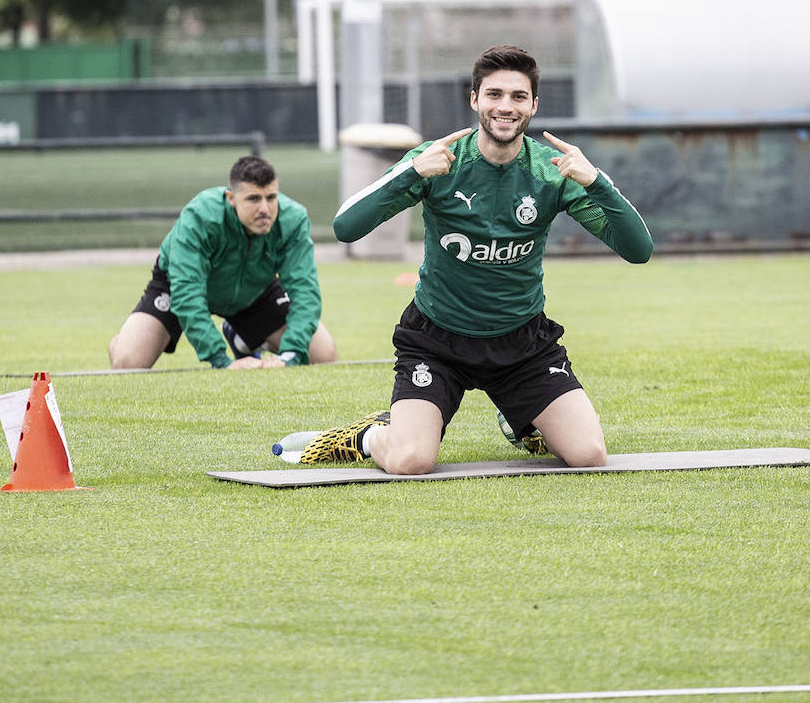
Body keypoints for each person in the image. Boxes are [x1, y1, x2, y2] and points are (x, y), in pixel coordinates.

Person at [300, 44, 653, 472]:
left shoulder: (553, 171)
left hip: (522, 344)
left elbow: (638, 250)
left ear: (534, 105)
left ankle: (522, 421)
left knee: (589, 455)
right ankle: (372, 436)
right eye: (494, 94)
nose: (506, 106)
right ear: (475, 99)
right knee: (411, 461)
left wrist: (597, 182)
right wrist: (412, 172)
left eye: (518, 97)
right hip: (438, 340)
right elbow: (345, 228)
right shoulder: (439, 161)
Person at [108, 155, 339, 370]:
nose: (265, 209)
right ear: (231, 198)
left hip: (255, 292)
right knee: (127, 363)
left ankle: (242, 338)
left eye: (271, 197)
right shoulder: (200, 217)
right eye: (253, 199)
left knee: (323, 355)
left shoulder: (293, 220)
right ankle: (122, 342)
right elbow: (186, 291)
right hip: (179, 287)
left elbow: (305, 291)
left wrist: (291, 355)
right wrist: (221, 360)